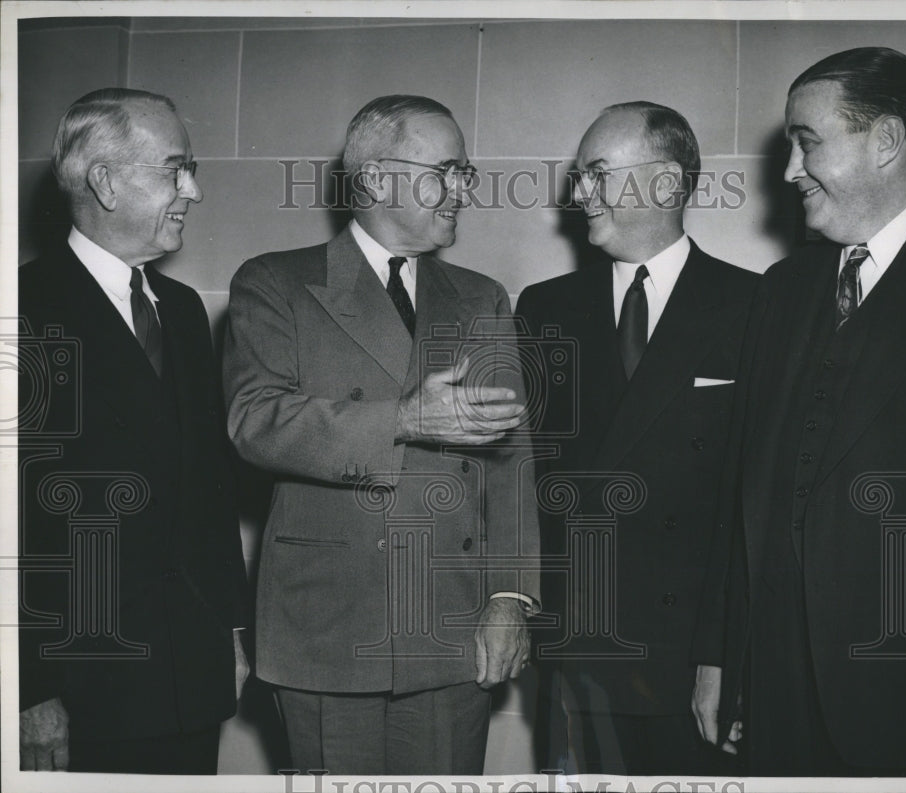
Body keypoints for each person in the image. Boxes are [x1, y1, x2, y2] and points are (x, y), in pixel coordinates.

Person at [222, 95, 540, 775]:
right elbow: (255, 422)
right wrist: (402, 418)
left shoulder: (480, 296)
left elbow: (510, 464)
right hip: (328, 625)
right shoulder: (276, 282)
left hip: (451, 625)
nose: (462, 190)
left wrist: (510, 596)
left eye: (466, 172)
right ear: (373, 179)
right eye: (444, 171)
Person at [691, 47, 906, 776]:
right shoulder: (783, 288)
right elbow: (740, 487)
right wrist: (721, 656)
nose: (788, 170)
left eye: (806, 141)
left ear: (884, 141)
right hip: (778, 691)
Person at [517, 101, 757, 775]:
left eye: (597, 173)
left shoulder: (756, 306)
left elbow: (752, 506)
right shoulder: (544, 307)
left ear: (668, 183)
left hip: (694, 656)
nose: (577, 193)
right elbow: (522, 481)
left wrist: (722, 655)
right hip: (580, 653)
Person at [18, 88, 250, 774]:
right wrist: (30, 688)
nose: (195, 191)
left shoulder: (179, 311)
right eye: (174, 170)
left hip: (188, 674)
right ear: (105, 181)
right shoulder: (22, 310)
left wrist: (229, 630)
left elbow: (206, 489)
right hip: (84, 683)